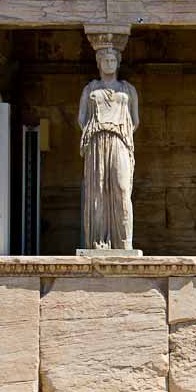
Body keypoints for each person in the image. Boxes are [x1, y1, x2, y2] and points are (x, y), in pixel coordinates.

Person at [79, 40, 139, 250]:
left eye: (113, 59)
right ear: (98, 62)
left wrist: (118, 132)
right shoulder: (90, 89)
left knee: (122, 188)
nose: (109, 63)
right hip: (96, 140)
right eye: (105, 59)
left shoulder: (128, 90)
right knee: (98, 190)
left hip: (120, 139)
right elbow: (81, 118)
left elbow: (135, 120)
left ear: (118, 62)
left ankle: (124, 243)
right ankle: (99, 242)